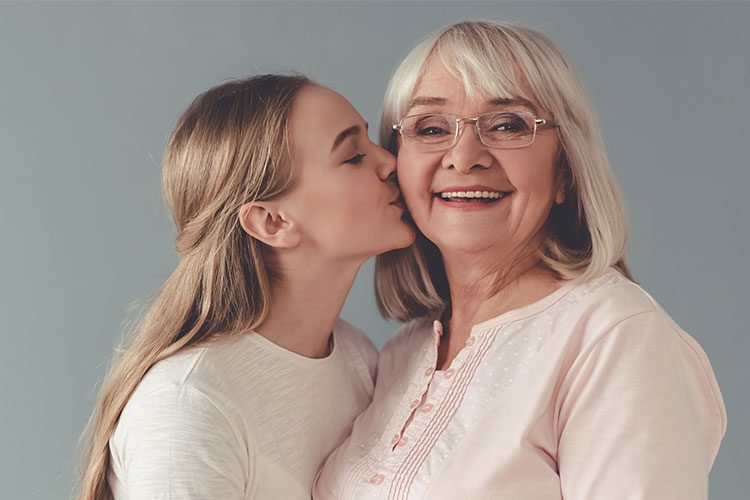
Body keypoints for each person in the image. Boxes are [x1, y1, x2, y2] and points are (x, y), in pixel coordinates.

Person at [314, 20, 726, 499]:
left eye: (508, 125)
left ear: (566, 171)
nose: (464, 156)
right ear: (396, 164)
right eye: (431, 128)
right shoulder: (397, 357)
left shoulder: (614, 336)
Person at [77, 74, 414, 500]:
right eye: (352, 156)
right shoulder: (189, 406)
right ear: (272, 222)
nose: (389, 162)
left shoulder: (355, 357)